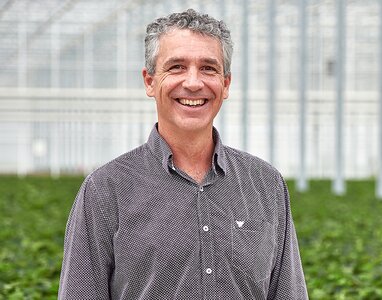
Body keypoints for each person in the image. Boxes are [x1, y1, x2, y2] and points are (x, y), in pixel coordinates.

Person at [59, 9, 308, 299]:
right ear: (150, 81)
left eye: (208, 68)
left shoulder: (266, 185)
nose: (193, 82)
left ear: (225, 84)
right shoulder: (105, 190)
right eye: (176, 67)